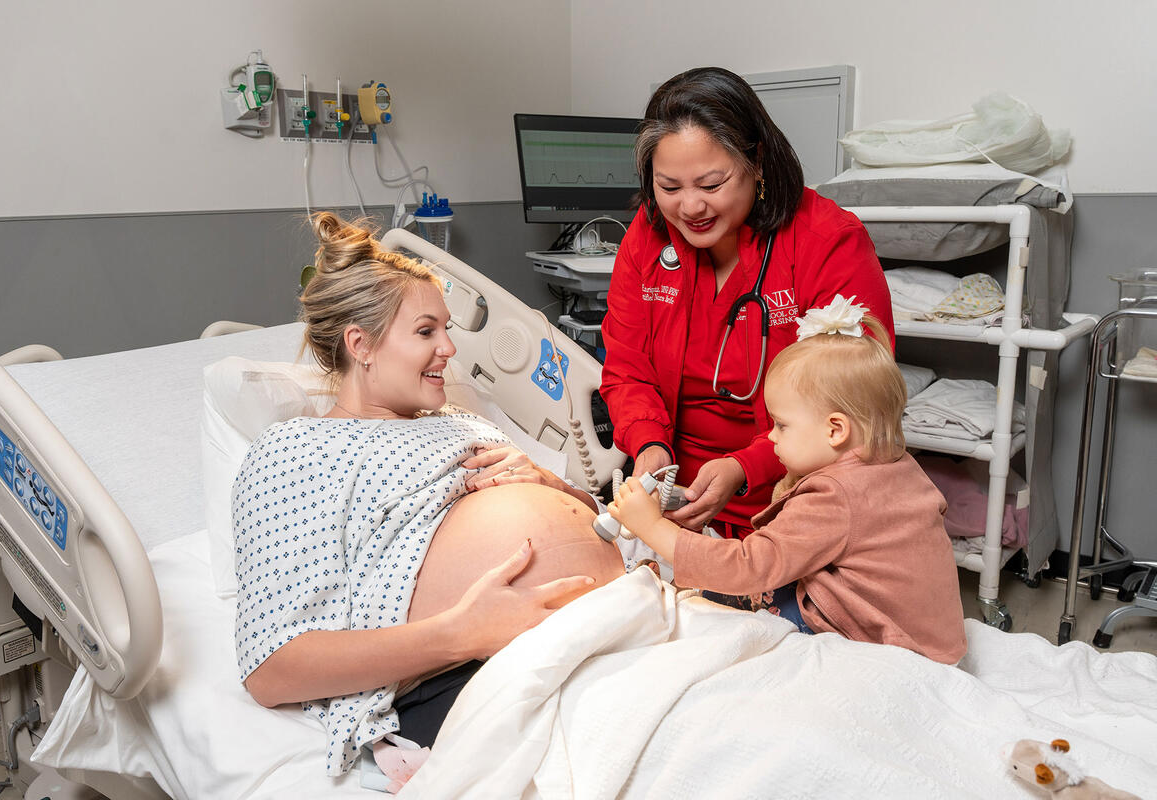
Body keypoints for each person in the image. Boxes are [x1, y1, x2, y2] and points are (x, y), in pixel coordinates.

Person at [232, 212, 625, 777]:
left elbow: (591, 519)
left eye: (446, 329)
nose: (448, 348)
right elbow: (272, 669)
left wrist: (556, 487)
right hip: (470, 672)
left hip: (612, 622)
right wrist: (461, 632)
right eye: (425, 332)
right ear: (360, 344)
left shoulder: (459, 420)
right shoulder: (297, 448)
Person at [600, 66, 894, 538]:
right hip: (674, 496)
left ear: (756, 162)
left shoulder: (826, 240)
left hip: (795, 498)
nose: (690, 207)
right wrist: (649, 446)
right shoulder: (648, 236)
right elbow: (627, 366)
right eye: (669, 187)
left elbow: (854, 402)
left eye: (711, 185)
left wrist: (745, 466)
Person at [606, 295, 967, 664]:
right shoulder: (899, 465)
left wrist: (651, 527)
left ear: (835, 430)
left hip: (886, 644)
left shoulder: (834, 495)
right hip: (933, 639)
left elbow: (750, 566)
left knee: (711, 614)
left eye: (781, 425)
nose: (772, 437)